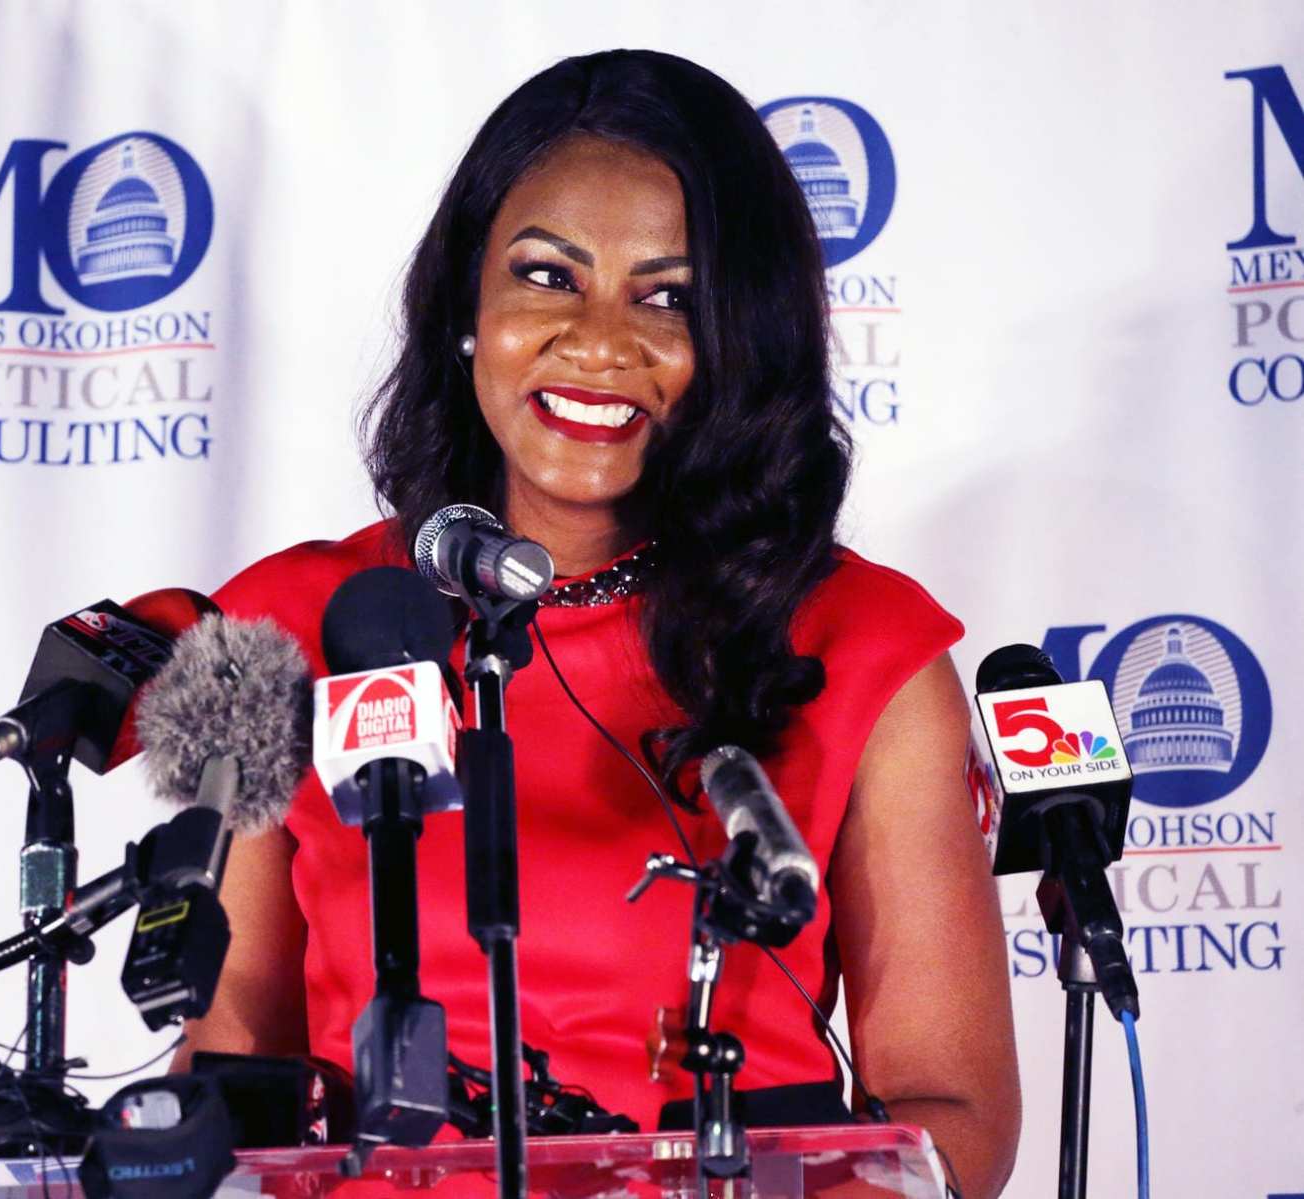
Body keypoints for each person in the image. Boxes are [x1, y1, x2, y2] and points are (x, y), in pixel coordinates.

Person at [178, 49, 1019, 1197]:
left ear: (739, 340)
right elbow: (233, 1080)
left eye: (668, 297)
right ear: (466, 304)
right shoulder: (285, 621)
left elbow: (951, 1109)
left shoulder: (863, 644)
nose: (601, 342)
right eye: (547, 275)